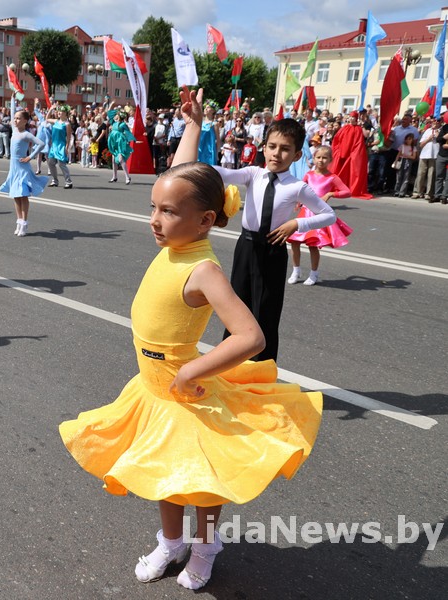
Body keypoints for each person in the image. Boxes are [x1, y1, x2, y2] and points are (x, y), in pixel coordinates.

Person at [60, 90, 322, 592]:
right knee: (164, 470)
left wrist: (191, 370)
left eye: (168, 212)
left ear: (204, 221)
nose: (155, 220)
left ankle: (205, 547)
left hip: (186, 389)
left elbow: (251, 336)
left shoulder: (202, 269)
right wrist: (194, 128)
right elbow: (181, 176)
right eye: (154, 208)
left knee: (201, 480)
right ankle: (171, 542)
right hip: (154, 388)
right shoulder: (176, 239)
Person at [188, 92, 336, 361]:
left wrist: (297, 223)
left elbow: (329, 215)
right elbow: (221, 172)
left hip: (273, 251)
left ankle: (262, 369)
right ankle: (229, 365)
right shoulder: (253, 174)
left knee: (266, 312)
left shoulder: (297, 187)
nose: (277, 153)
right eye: (272, 146)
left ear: (297, 154)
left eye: (285, 149)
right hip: (245, 247)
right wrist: (193, 138)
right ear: (264, 147)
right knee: (236, 308)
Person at [287, 145, 353, 285]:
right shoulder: (309, 175)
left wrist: (330, 194)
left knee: (313, 244)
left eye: (324, 158)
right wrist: (298, 201)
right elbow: (301, 190)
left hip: (318, 215)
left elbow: (347, 192)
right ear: (314, 158)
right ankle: (296, 270)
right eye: (318, 157)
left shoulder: (332, 178)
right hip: (305, 212)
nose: (321, 160)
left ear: (330, 160)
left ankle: (314, 273)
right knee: (295, 241)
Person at [0, 109, 48, 236]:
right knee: (16, 195)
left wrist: (30, 157)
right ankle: (19, 221)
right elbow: (12, 109)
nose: (15, 120)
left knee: (23, 194)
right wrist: (13, 98)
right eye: (15, 118)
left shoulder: (26, 134)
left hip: (22, 167)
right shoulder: (14, 130)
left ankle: (24, 223)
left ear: (25, 121)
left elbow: (41, 144)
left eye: (18, 118)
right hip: (14, 167)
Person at [329, 110, 371, 199]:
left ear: (356, 119)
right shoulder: (344, 128)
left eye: (353, 117)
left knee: (352, 171)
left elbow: (361, 140)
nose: (351, 119)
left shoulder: (359, 129)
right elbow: (337, 139)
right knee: (340, 170)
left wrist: (362, 126)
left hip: (352, 153)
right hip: (342, 152)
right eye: (350, 117)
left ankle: (350, 187)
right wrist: (338, 150)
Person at [46, 106, 74, 189]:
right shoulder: (56, 121)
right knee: (51, 163)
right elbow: (47, 119)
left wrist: (67, 147)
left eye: (61, 111)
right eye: (58, 111)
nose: (58, 112)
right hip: (54, 145)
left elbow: (68, 137)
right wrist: (51, 109)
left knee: (61, 164)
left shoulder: (67, 124)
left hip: (61, 145)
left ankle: (68, 182)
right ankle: (55, 181)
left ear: (65, 113)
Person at [106, 108, 135, 184]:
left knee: (121, 159)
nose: (115, 116)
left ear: (119, 116)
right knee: (113, 160)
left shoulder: (123, 124)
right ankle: (114, 177)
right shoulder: (113, 123)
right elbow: (109, 113)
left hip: (120, 144)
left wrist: (132, 140)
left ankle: (127, 177)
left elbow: (128, 133)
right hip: (114, 143)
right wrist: (116, 109)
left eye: (117, 115)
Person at [414, 117, 439, 201]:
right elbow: (421, 144)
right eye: (433, 121)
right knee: (420, 174)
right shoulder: (427, 131)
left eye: (437, 121)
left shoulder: (440, 131)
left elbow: (441, 141)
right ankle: (417, 192)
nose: (435, 123)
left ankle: (428, 193)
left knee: (431, 175)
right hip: (424, 155)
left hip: (434, 155)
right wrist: (429, 138)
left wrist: (437, 134)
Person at [393, 133, 418, 198]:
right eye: (407, 139)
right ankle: (396, 191)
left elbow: (414, 157)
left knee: (406, 177)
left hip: (408, 162)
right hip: (401, 161)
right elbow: (398, 155)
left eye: (410, 139)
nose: (408, 140)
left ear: (412, 140)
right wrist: (395, 162)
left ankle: (402, 192)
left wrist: (407, 156)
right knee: (399, 177)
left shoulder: (413, 148)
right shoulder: (402, 146)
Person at [434, 110, 448, 204]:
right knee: (439, 176)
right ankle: (437, 195)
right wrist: (444, 137)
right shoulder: (445, 127)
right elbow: (438, 139)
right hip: (442, 155)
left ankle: (444, 196)